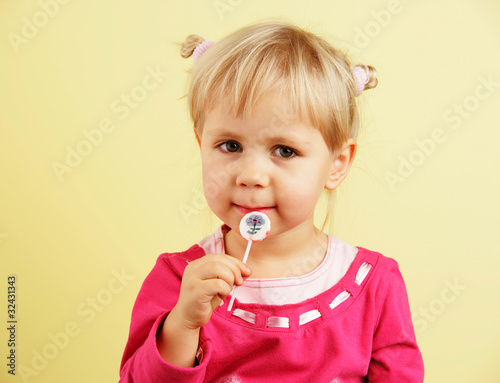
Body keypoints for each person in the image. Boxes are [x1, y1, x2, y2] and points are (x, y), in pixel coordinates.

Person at [119, 20, 424, 382]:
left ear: (336, 164)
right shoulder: (179, 280)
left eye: (284, 150)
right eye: (230, 146)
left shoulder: (376, 285)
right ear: (202, 145)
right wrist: (183, 325)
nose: (251, 175)